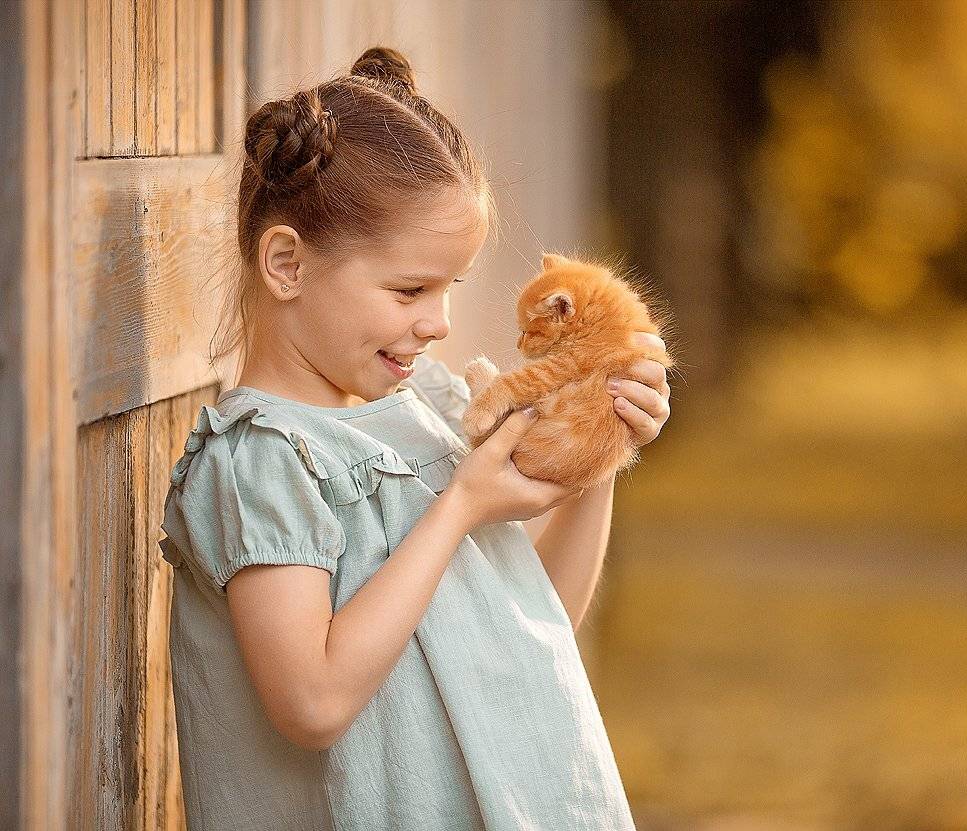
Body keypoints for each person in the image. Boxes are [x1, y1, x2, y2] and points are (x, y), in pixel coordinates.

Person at [157, 46, 671, 831]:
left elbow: (527, 632)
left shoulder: (428, 414)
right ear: (287, 263)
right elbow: (312, 701)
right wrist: (460, 506)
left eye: (447, 288)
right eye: (408, 289)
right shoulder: (260, 462)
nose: (438, 322)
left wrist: (600, 453)